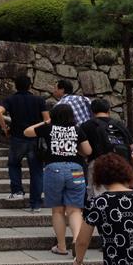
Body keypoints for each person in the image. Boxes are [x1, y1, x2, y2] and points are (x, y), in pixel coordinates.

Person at [24, 103, 91, 255]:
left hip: (54, 169)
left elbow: (27, 132)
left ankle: (61, 246)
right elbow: (88, 150)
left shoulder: (48, 128)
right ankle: (76, 242)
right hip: (75, 170)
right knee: (75, 210)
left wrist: (47, 121)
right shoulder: (77, 129)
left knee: (58, 211)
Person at [0, 74, 49, 211]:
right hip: (35, 139)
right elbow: (47, 120)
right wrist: (39, 130)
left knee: (13, 164)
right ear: (30, 85)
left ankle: (17, 191)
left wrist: (4, 127)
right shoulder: (39, 100)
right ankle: (36, 204)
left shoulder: (11, 99)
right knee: (36, 171)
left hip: (17, 138)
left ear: (15, 86)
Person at [80, 98, 133, 197]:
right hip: (121, 163)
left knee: (98, 194)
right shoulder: (119, 124)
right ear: (108, 110)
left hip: (98, 163)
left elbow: (86, 150)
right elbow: (131, 146)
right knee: (121, 192)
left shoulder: (87, 125)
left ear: (92, 111)